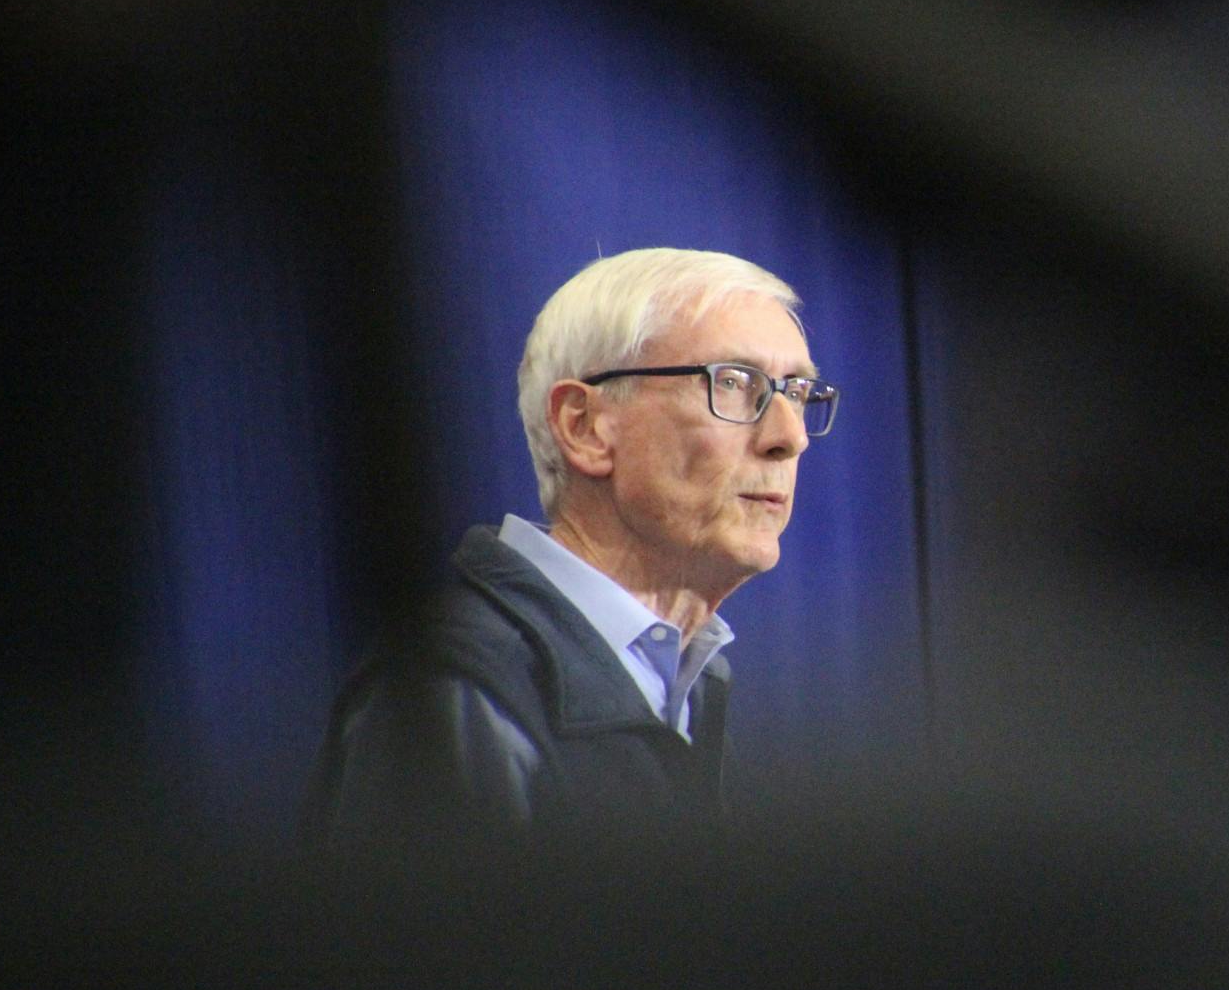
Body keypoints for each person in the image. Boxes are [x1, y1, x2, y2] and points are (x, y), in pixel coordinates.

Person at [308, 247, 838, 835]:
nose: (790, 437)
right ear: (584, 428)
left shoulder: (689, 681)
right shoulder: (453, 691)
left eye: (797, 393)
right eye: (734, 383)